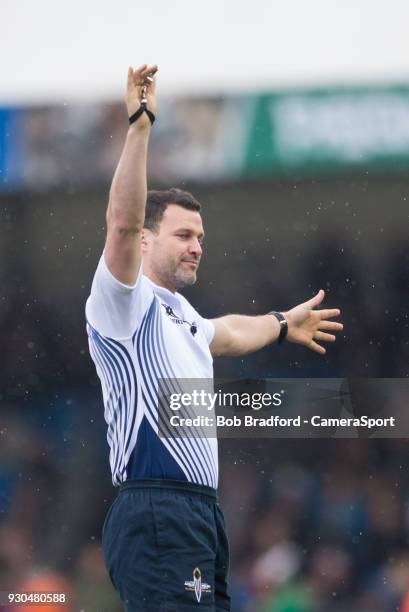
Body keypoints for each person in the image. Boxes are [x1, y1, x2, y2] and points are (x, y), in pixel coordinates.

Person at [85, 64, 343, 612]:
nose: (197, 245)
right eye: (183, 235)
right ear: (148, 239)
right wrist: (139, 129)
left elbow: (225, 332)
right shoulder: (123, 303)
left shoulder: (182, 316)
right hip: (158, 505)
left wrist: (279, 325)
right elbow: (121, 224)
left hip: (199, 512)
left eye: (200, 236)